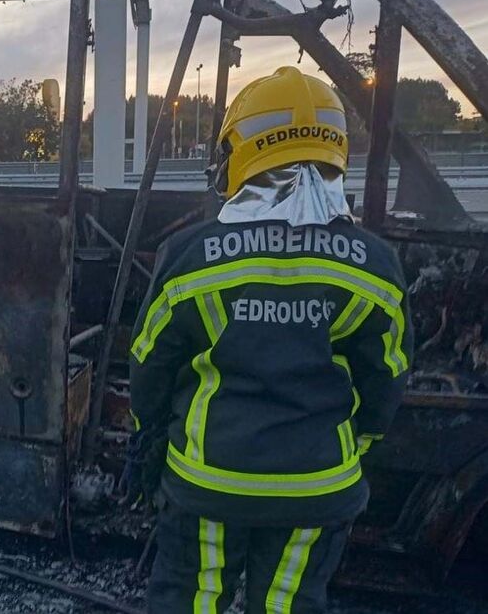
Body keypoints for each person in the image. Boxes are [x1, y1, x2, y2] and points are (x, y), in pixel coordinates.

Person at [127, 66, 414, 613]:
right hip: (317, 488)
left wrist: (151, 439)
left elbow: (149, 363)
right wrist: (357, 444)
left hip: (208, 481)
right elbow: (387, 377)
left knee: (193, 599)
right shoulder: (375, 268)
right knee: (287, 603)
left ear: (239, 153)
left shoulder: (191, 257)